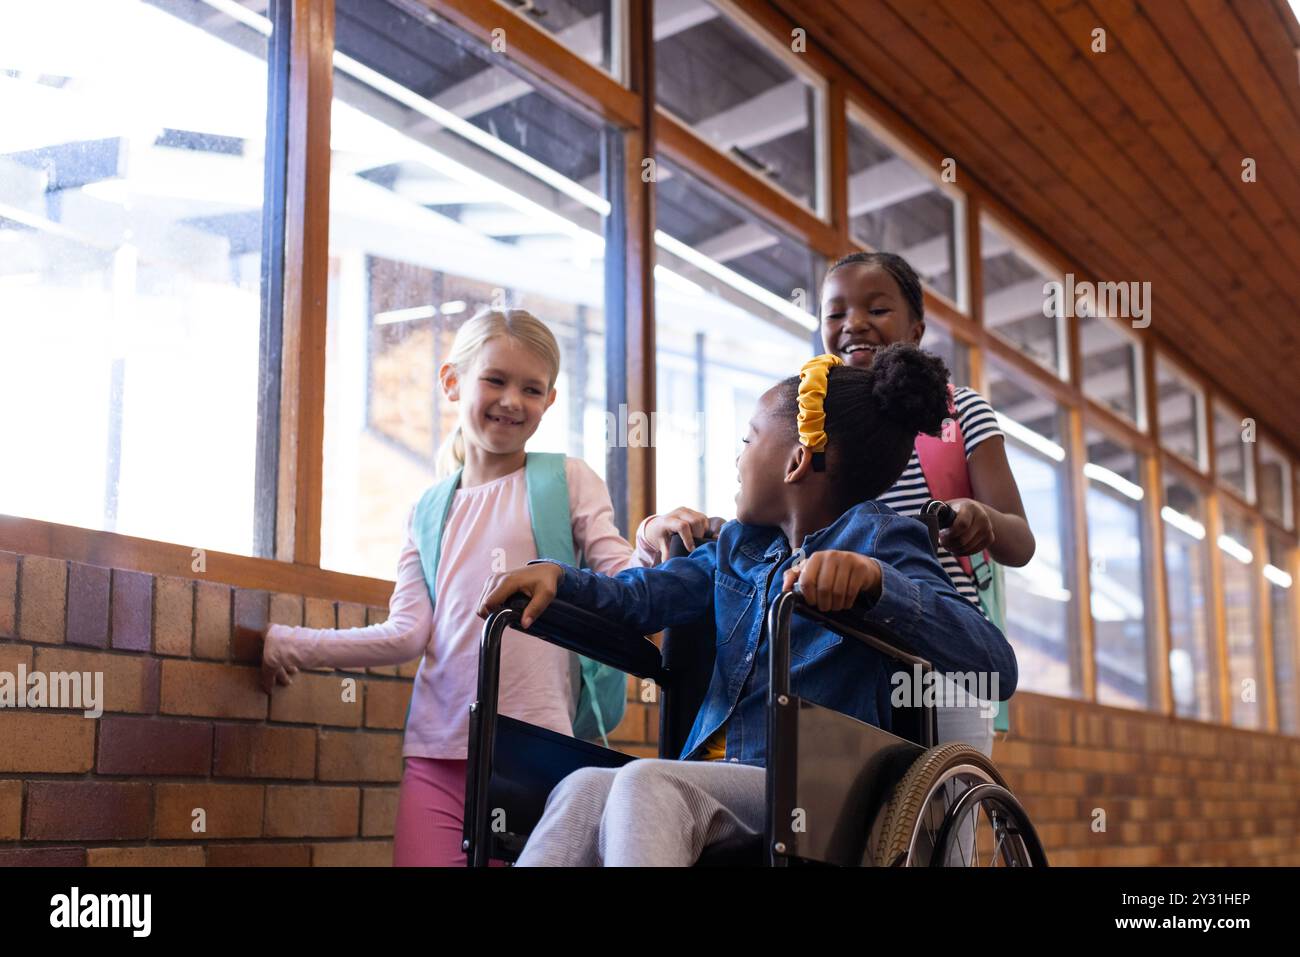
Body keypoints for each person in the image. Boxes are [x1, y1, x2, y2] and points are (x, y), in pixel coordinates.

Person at [477, 344, 1018, 866]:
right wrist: (557, 579)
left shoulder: (881, 540)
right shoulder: (738, 547)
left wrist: (879, 585)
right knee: (585, 787)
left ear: (797, 461)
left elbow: (995, 663)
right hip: (712, 780)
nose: (737, 458)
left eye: (748, 439)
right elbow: (638, 599)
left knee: (646, 781)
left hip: (818, 789)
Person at [258, 308, 712, 866]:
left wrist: (649, 537)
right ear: (452, 381)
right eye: (495, 380)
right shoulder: (428, 509)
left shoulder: (566, 480)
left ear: (549, 401)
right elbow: (407, 635)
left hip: (532, 751)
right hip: (436, 752)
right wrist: (290, 644)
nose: (512, 400)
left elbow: (622, 583)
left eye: (532, 389)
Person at [820, 251, 1035, 754]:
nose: (854, 324)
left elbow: (1020, 542)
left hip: (944, 645)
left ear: (916, 330)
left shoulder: (960, 412)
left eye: (877, 310)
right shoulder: (819, 423)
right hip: (841, 647)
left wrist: (980, 517)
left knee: (938, 814)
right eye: (835, 313)